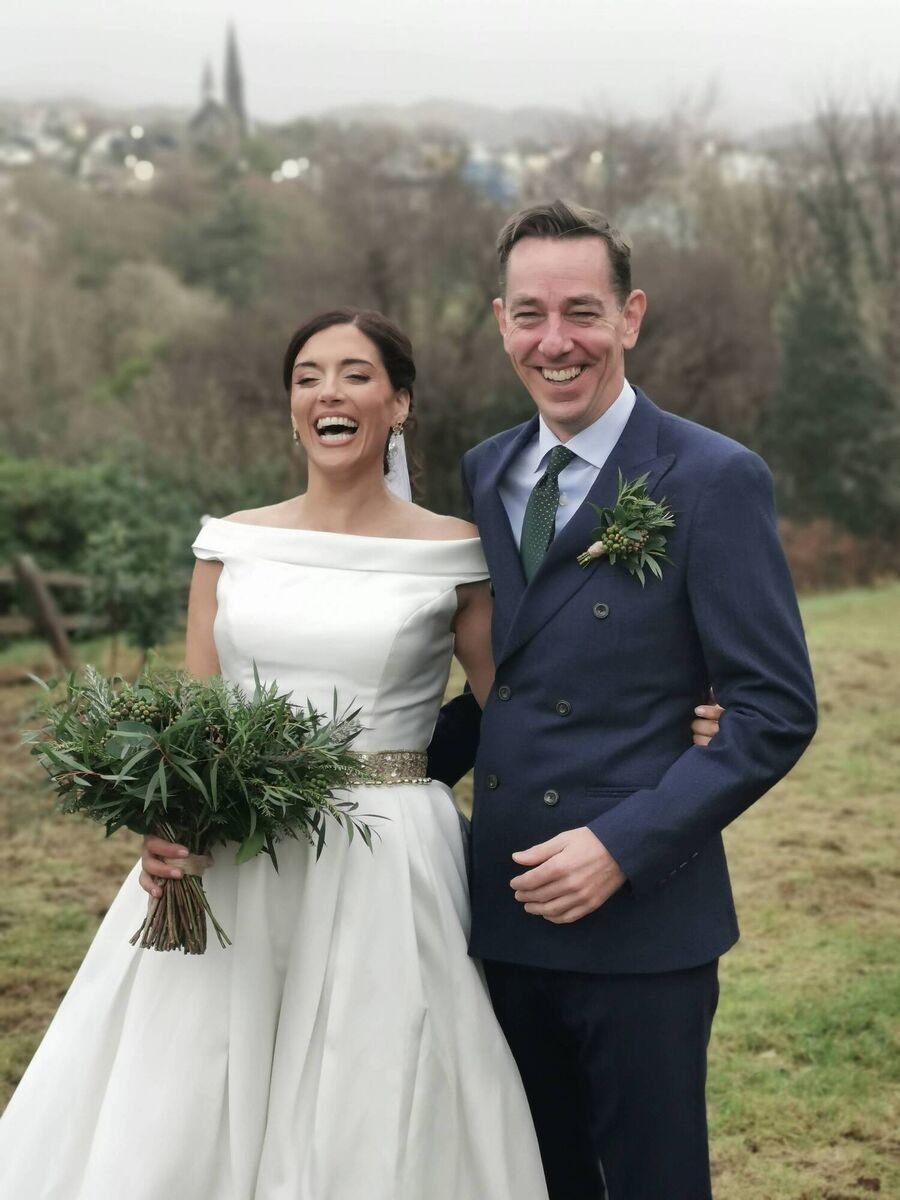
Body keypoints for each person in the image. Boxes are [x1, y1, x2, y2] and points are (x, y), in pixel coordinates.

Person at [1, 306, 719, 1198]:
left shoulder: (456, 552)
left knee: (374, 1087)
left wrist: (682, 717)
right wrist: (165, 821)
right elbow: (188, 724)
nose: (327, 393)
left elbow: (526, 704)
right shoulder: (229, 544)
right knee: (190, 1093)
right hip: (235, 858)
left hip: (386, 857)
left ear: (400, 404)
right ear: (290, 405)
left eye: (353, 374)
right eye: (307, 376)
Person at [427, 201, 818, 1200]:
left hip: (642, 929)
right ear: (500, 321)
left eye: (583, 311)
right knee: (532, 1180)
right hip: (501, 912)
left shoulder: (716, 477)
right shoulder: (485, 471)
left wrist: (621, 848)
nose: (556, 341)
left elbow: (774, 709)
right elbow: (504, 679)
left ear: (631, 316)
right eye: (530, 314)